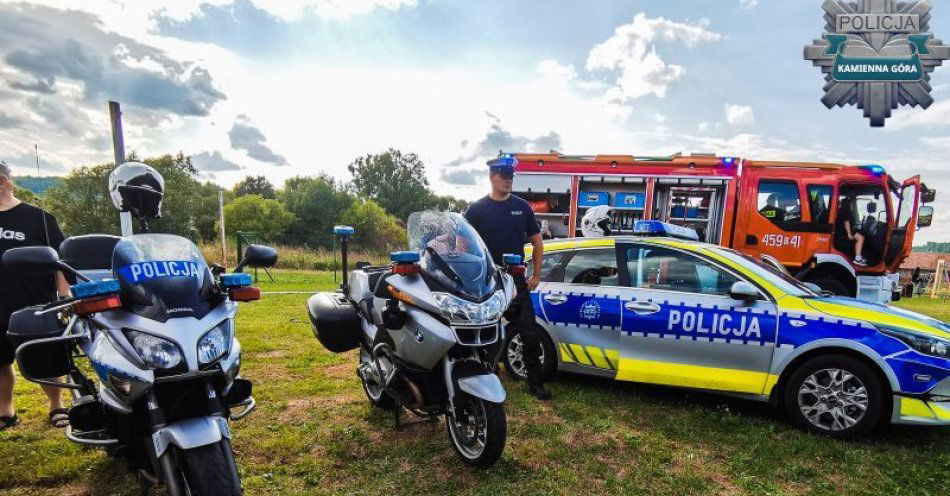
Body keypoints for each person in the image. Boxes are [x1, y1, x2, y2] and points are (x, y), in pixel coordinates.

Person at [465, 157, 550, 400]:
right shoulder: (477, 209)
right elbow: (464, 244)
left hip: (515, 279)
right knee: (482, 333)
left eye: (512, 176)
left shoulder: (522, 207)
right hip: (486, 282)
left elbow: (537, 242)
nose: (509, 180)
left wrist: (536, 274)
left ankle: (536, 384)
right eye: (504, 176)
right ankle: (487, 374)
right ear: (492, 177)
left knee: (529, 334)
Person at [0, 161, 71, 430]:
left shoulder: (37, 218)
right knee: (0, 362)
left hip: (35, 305)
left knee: (46, 359)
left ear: (3, 182)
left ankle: (57, 405)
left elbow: (60, 260)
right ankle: (6, 411)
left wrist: (64, 298)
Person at [838, 197, 868, 266]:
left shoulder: (842, 211)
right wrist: (849, 234)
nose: (851, 205)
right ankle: (857, 259)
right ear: (848, 204)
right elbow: (846, 222)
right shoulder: (846, 211)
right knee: (861, 238)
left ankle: (859, 255)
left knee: (861, 234)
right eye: (851, 203)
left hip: (842, 232)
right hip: (844, 233)